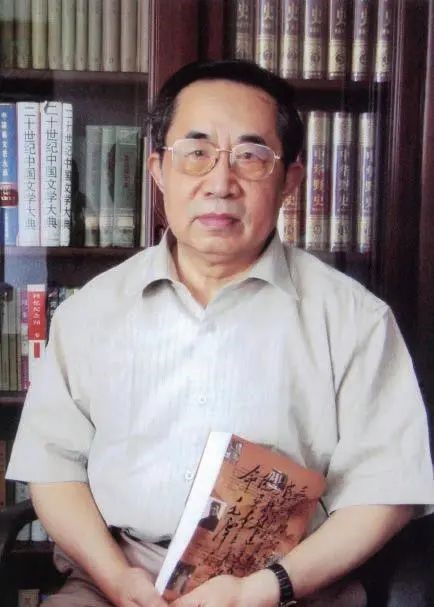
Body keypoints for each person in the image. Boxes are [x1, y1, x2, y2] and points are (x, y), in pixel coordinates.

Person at [6, 60, 434, 607]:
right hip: (117, 578)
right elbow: (52, 469)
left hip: (291, 584)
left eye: (251, 157)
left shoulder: (355, 320)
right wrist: (115, 578)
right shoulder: (90, 312)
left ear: (290, 180)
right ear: (159, 170)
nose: (220, 183)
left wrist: (268, 587)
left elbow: (386, 491)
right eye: (196, 152)